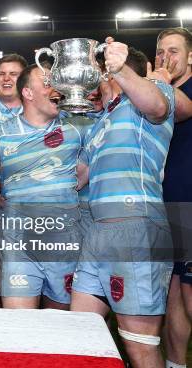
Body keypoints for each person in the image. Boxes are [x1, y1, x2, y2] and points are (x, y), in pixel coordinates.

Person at [71, 40, 175, 367]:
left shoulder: (149, 97)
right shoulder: (101, 121)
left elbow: (157, 105)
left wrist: (121, 68)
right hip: (97, 233)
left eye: (105, 71)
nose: (101, 76)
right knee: (81, 334)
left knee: (139, 344)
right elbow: (78, 177)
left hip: (136, 228)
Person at [0, 64, 84, 310]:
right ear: (28, 93)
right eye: (47, 83)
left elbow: (89, 170)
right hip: (18, 245)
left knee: (62, 331)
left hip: (63, 242)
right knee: (20, 329)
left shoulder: (77, 127)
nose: (56, 89)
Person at [152, 27, 192, 368]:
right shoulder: (154, 94)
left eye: (174, 51)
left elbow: (181, 109)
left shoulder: (171, 92)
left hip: (190, 206)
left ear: (190, 56)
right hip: (163, 208)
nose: (166, 57)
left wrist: (158, 81)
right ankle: (175, 364)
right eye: (161, 50)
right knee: (173, 295)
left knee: (190, 299)